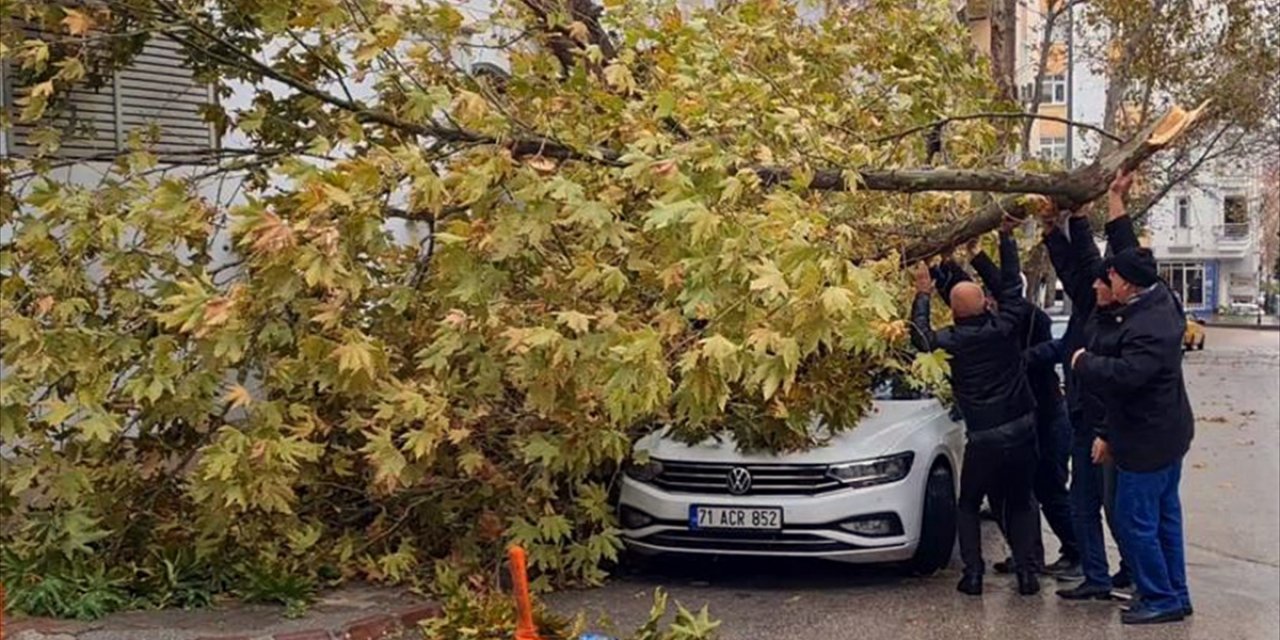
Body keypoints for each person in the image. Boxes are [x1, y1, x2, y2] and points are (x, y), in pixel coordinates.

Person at [909, 224, 1041, 597]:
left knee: (968, 504)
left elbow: (919, 338)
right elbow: (1013, 289)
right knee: (1020, 501)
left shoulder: (950, 343)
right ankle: (1028, 573)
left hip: (984, 436)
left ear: (951, 312)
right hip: (1021, 427)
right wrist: (1004, 240)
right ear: (985, 303)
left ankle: (974, 575)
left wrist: (922, 293)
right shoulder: (1005, 327)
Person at [1028, 172, 1140, 601]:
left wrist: (1113, 203)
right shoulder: (1091, 304)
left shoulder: (1126, 320)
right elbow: (1076, 264)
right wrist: (1061, 224)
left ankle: (1132, 569)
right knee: (1082, 503)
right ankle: (1096, 576)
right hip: (1080, 418)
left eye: (1103, 281)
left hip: (1107, 425)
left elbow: (1115, 253)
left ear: (1120, 287)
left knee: (1116, 507)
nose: (1094, 283)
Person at [1071, 244, 1195, 625]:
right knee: (1164, 517)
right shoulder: (1162, 300)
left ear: (1124, 283)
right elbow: (1131, 255)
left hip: (1147, 440)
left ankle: (1160, 596)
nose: (1104, 282)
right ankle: (1176, 592)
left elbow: (1128, 376)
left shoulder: (1145, 326)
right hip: (1167, 434)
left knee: (1133, 520)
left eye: (1109, 277)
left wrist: (1084, 363)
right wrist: (1116, 202)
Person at [967, 233, 1080, 578]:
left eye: (995, 294)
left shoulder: (1031, 320)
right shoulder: (996, 324)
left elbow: (1053, 351)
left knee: (1049, 488)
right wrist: (964, 259)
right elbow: (965, 302)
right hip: (1021, 421)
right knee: (1011, 493)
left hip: (1046, 417)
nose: (989, 300)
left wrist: (1021, 359)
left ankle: (1077, 553)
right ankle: (1025, 554)